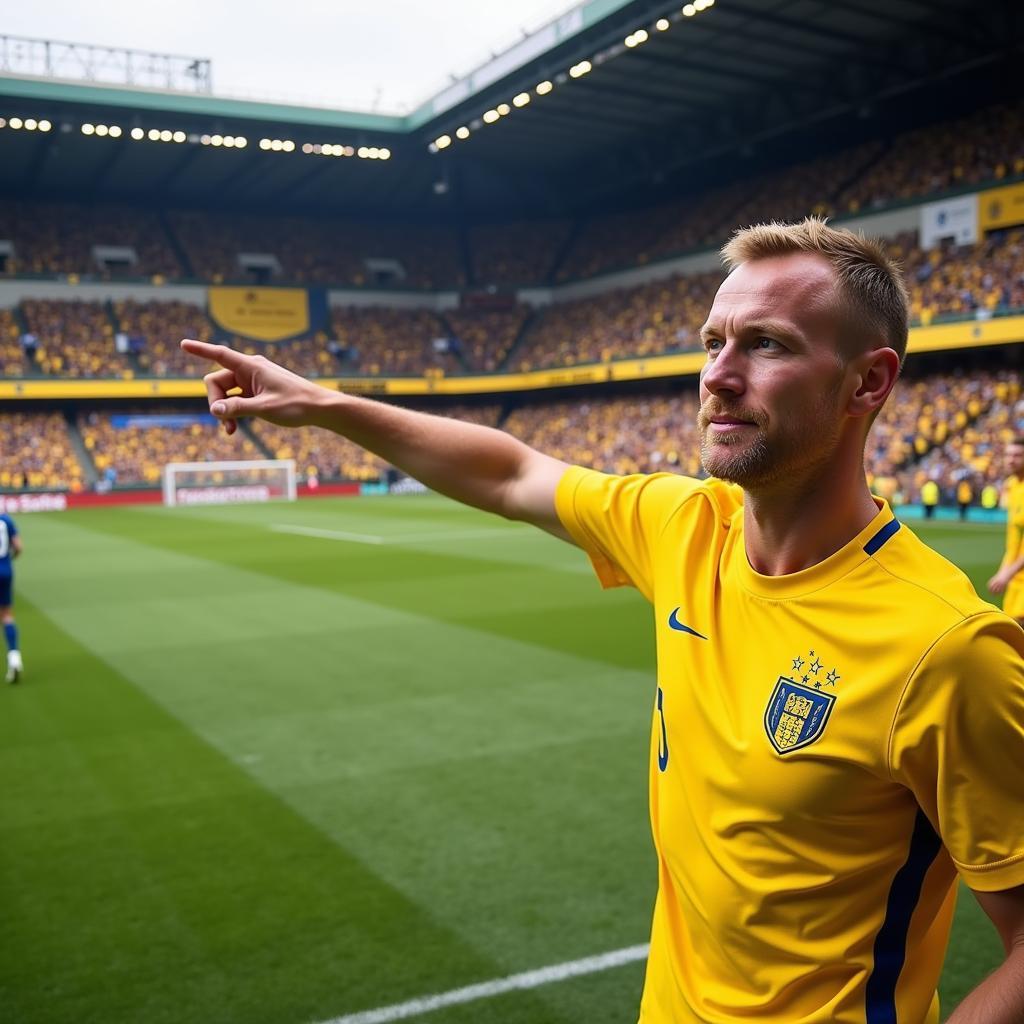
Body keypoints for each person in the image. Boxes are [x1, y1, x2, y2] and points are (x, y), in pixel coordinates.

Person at [182, 218, 1024, 1024]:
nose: (717, 376)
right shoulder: (683, 528)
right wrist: (323, 404)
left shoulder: (946, 652)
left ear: (868, 382)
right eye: (711, 342)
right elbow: (512, 472)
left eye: (766, 344)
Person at [988, 438, 1024, 626]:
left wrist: (1006, 574)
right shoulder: (1012, 485)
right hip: (1016, 579)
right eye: (1008, 455)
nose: (1011, 460)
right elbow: (1015, 539)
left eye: (1017, 455)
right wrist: (1005, 571)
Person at [0, 510, 23, 683]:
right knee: (7, 614)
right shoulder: (6, 520)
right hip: (5, 570)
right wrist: (10, 559)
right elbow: (18, 548)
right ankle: (14, 658)